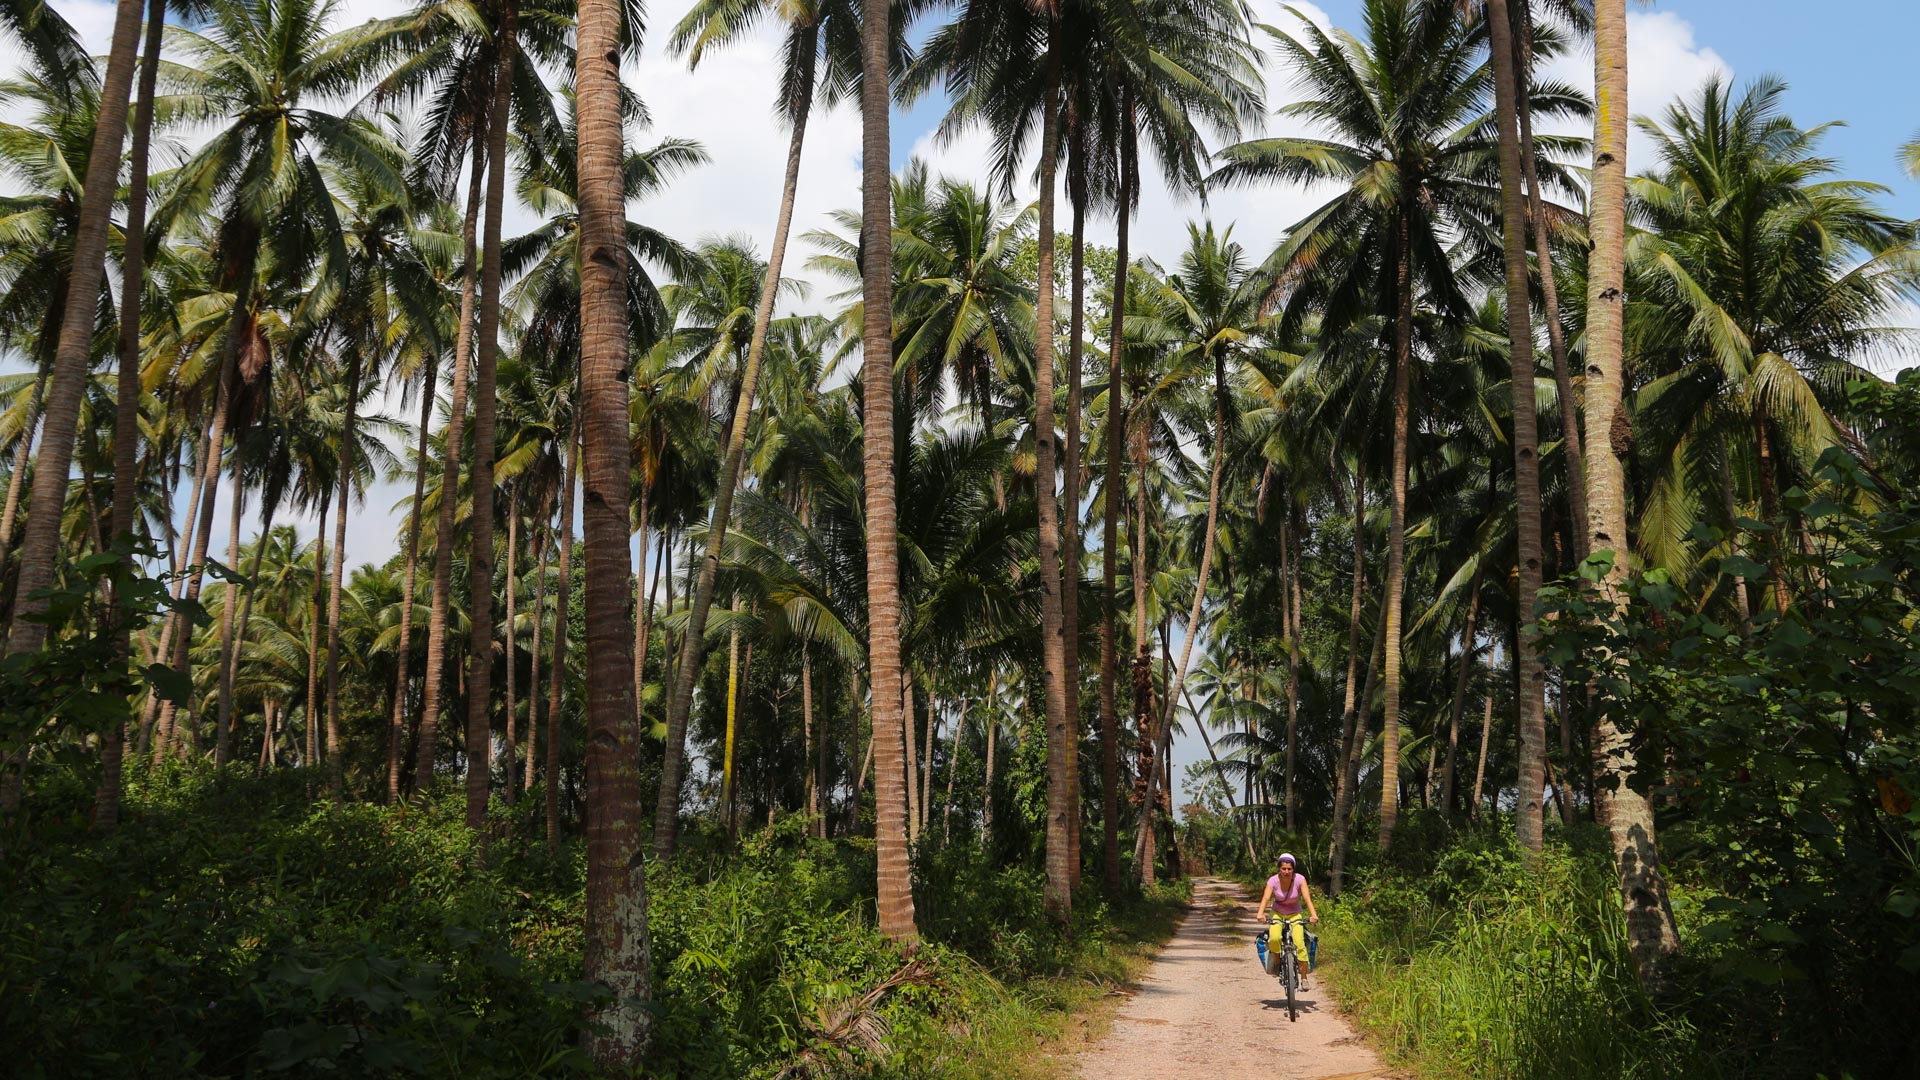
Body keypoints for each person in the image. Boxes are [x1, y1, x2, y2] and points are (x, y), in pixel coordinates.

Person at [1255, 852, 1319, 987]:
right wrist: (1261, 913)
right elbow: (1266, 898)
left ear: (1293, 869)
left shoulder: (1300, 879)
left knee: (1299, 943)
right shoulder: (1273, 881)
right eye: (1283, 868)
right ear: (1279, 868)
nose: (1286, 871)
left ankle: (1304, 978)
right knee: (1274, 938)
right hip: (1277, 913)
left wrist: (1313, 915)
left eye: (1289, 869)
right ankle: (1278, 963)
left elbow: (1307, 898)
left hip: (1295, 914)